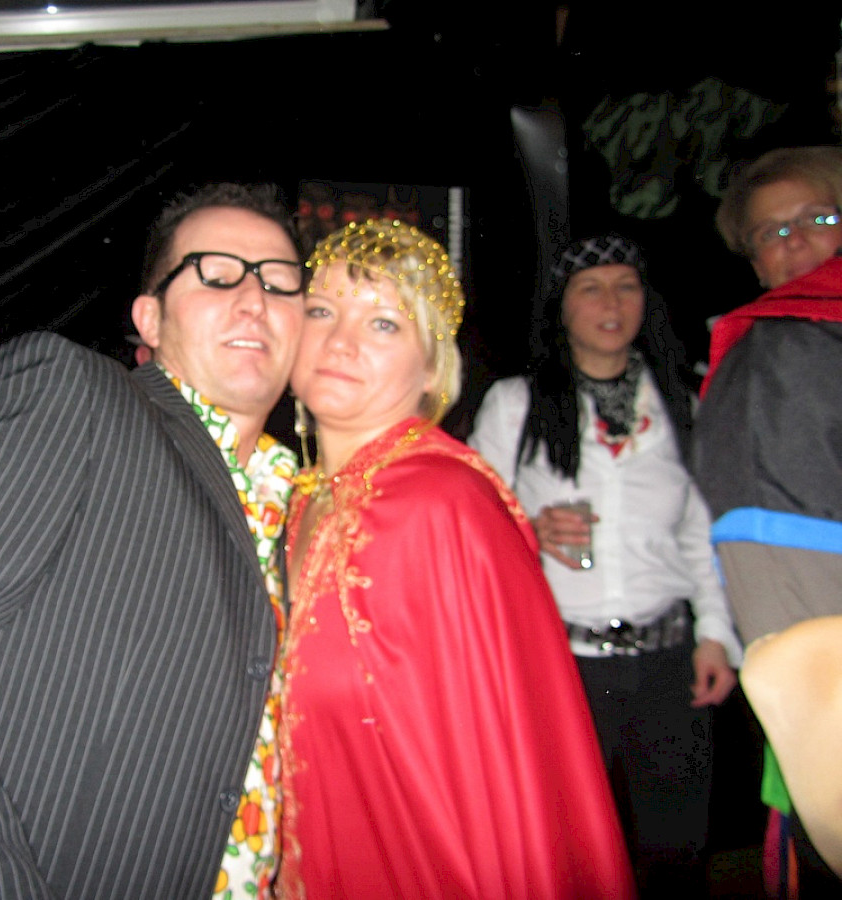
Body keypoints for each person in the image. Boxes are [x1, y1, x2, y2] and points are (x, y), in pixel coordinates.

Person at [0, 183, 306, 898]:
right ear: (150, 318)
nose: (253, 299)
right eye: (216, 274)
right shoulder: (77, 396)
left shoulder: (298, 506)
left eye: (280, 283)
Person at [278, 219, 634, 899]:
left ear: (431, 370)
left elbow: (508, 766)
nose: (340, 341)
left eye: (384, 324)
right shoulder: (296, 502)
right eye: (321, 311)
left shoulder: (443, 503)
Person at [469, 235, 742, 895]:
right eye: (590, 288)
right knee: (568, 847)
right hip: (562, 667)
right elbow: (472, 522)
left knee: (676, 850)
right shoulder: (516, 403)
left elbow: (700, 531)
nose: (611, 303)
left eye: (627, 286)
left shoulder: (681, 402)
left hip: (669, 661)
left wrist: (716, 634)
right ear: (560, 308)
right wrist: (529, 531)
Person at [695, 146, 842, 896]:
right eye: (771, 233)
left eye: (818, 219)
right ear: (754, 260)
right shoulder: (759, 335)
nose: (796, 241)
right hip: (774, 616)